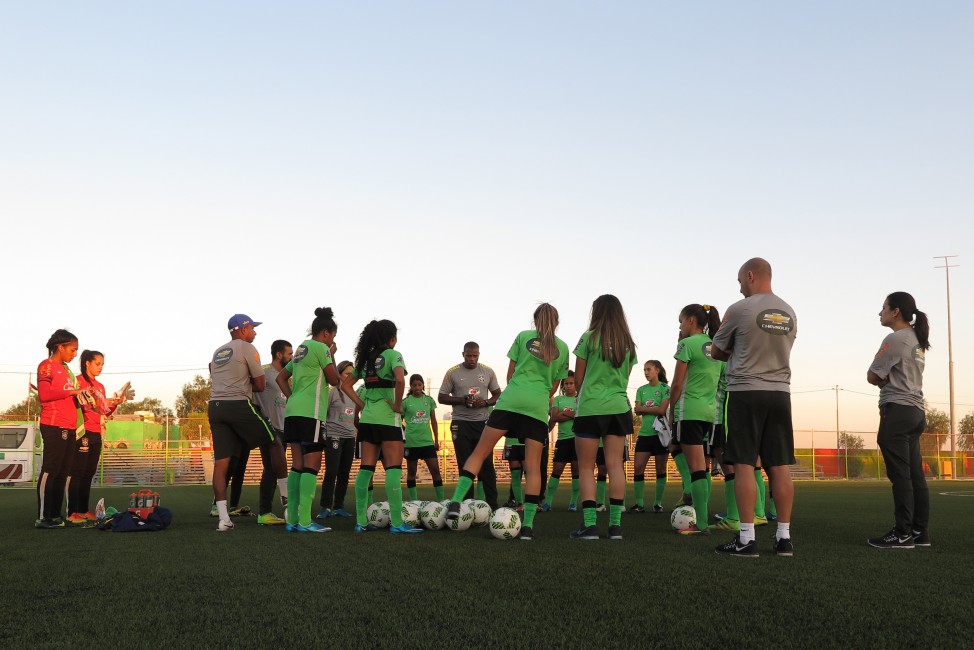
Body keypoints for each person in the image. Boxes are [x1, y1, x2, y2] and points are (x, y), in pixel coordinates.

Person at [446, 304, 569, 541]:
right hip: (536, 407)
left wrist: (520, 389)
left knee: (480, 452)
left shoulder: (523, 336)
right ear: (556, 322)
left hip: (510, 400)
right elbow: (554, 386)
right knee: (533, 467)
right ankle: (528, 526)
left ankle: (456, 502)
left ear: (535, 320)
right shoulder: (563, 348)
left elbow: (510, 375)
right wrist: (538, 393)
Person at [711, 258, 797, 557]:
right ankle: (784, 538)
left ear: (750, 276)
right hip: (780, 393)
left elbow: (717, 351)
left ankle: (746, 539)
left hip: (746, 392)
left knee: (744, 463)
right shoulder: (789, 311)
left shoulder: (739, 308)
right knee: (779, 465)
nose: (739, 288)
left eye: (739, 281)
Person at [207, 314, 288, 532]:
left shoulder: (218, 351)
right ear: (242, 329)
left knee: (221, 464)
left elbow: (212, 370)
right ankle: (287, 502)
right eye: (252, 328)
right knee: (275, 443)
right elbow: (260, 385)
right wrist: (243, 380)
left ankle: (223, 518)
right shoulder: (247, 348)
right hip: (238, 404)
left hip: (215, 407)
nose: (255, 332)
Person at [343, 319, 422, 534]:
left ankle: (361, 522)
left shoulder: (365, 359)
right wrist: (397, 405)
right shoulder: (393, 355)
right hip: (388, 420)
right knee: (393, 469)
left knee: (366, 469)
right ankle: (396, 523)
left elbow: (346, 385)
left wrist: (362, 405)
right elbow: (400, 380)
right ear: (393, 338)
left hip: (368, 420)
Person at [866, 292, 931, 549]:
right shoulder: (916, 339)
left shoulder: (895, 338)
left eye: (884, 308)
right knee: (915, 475)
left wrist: (881, 379)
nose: (880, 312)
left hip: (898, 411)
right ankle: (919, 531)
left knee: (901, 476)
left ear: (895, 312)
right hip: (916, 412)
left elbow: (872, 375)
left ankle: (902, 534)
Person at [570, 295, 637, 541]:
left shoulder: (588, 338)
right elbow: (625, 377)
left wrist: (587, 395)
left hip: (590, 407)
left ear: (596, 312)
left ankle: (590, 526)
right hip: (618, 408)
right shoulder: (628, 343)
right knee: (615, 465)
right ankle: (615, 527)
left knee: (586, 467)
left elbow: (578, 378)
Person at [276, 308, 341, 533]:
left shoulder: (301, 349)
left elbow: (281, 377)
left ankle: (292, 520)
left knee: (297, 465)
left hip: (293, 412)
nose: (333, 341)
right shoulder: (322, 348)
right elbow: (334, 379)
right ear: (325, 333)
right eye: (333, 336)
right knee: (312, 465)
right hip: (311, 413)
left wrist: (292, 397)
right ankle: (305, 521)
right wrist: (332, 354)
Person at [668, 304, 722, 535]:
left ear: (691, 320)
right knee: (702, 466)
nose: (680, 326)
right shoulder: (716, 346)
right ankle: (701, 518)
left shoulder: (687, 344)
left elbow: (677, 383)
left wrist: (671, 409)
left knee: (697, 469)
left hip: (688, 411)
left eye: (681, 321)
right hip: (708, 413)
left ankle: (700, 524)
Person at [35, 329, 90, 528]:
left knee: (62, 472)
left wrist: (82, 395)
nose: (75, 354)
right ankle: (44, 517)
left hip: (69, 425)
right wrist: (72, 391)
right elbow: (44, 395)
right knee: (51, 470)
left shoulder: (65, 371)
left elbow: (68, 394)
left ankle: (55, 515)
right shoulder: (47, 366)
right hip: (53, 424)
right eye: (72, 350)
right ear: (60, 347)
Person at [438, 342, 503, 509]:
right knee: (464, 464)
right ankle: (466, 507)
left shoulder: (488, 371)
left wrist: (486, 402)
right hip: (461, 423)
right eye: (469, 355)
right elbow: (441, 397)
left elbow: (497, 394)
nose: (472, 359)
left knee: (487, 465)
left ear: (479, 355)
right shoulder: (453, 372)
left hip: (483, 423)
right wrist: (462, 400)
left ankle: (492, 506)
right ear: (463, 354)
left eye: (475, 355)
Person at [67, 350, 127, 523]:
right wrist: (95, 401)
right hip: (82, 431)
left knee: (88, 472)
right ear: (87, 363)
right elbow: (81, 406)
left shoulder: (100, 386)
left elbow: (104, 411)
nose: (100, 367)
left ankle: (83, 510)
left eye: (102, 364)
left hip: (96, 432)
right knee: (77, 472)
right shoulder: (78, 381)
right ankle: (72, 512)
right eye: (97, 364)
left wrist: (115, 403)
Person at [249, 338, 292, 525]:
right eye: (289, 354)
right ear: (279, 354)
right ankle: (264, 512)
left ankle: (266, 512)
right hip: (268, 427)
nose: (292, 357)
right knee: (270, 470)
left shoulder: (285, 376)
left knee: (274, 471)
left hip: (283, 429)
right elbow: (250, 391)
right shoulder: (264, 372)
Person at [317, 360, 359, 519]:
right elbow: (322, 414)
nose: (351, 376)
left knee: (344, 473)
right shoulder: (332, 393)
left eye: (352, 374)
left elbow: (355, 416)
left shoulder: (354, 394)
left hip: (350, 437)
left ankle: (339, 506)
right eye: (347, 373)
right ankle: (325, 507)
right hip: (334, 436)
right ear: (339, 374)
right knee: (331, 471)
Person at [631, 360, 671, 514]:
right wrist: (651, 408)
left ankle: (658, 503)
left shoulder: (665, 389)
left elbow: (662, 410)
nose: (646, 372)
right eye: (644, 370)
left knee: (660, 468)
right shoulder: (641, 389)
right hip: (645, 434)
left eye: (649, 369)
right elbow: (637, 410)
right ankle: (639, 504)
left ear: (657, 370)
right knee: (638, 467)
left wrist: (644, 408)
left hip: (661, 434)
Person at [402, 374, 444, 502]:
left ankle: (441, 501)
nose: (417, 387)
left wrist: (436, 440)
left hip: (427, 442)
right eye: (414, 385)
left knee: (435, 471)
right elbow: (398, 421)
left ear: (423, 385)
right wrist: (402, 438)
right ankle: (414, 501)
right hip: (411, 442)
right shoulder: (406, 402)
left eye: (419, 385)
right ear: (411, 386)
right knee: (411, 472)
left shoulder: (429, 400)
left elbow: (434, 421)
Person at [546, 371, 580, 511]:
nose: (569, 386)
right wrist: (572, 414)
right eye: (566, 383)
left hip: (577, 440)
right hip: (562, 441)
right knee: (557, 470)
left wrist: (564, 413)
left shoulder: (580, 399)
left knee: (576, 471)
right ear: (563, 385)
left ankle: (573, 502)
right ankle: (548, 502)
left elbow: (581, 416)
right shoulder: (558, 399)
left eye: (571, 383)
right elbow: (554, 417)